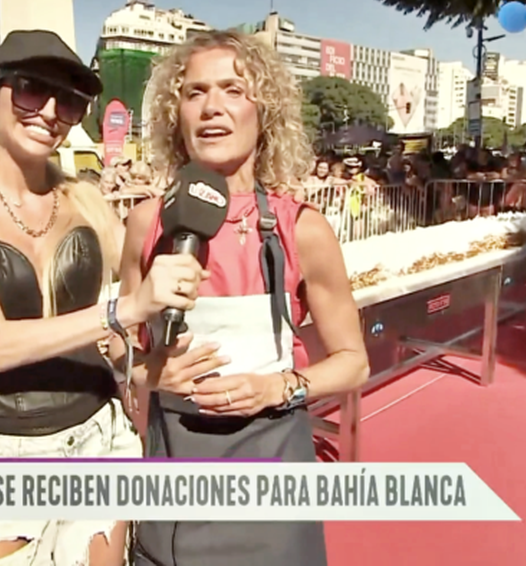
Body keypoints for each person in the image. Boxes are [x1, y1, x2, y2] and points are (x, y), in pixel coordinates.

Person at [0, 29, 202, 566]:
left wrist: (142, 369)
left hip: (99, 438)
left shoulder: (87, 200)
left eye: (68, 100)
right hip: (3, 455)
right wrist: (125, 310)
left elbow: (111, 334)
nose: (48, 111)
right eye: (29, 90)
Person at [119, 30, 369, 566]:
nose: (212, 108)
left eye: (233, 90)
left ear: (265, 113)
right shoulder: (145, 223)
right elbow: (122, 351)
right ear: (175, 115)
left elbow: (353, 364)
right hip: (172, 486)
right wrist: (147, 375)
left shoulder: (304, 229)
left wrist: (275, 388)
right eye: (195, 92)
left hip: (274, 484)